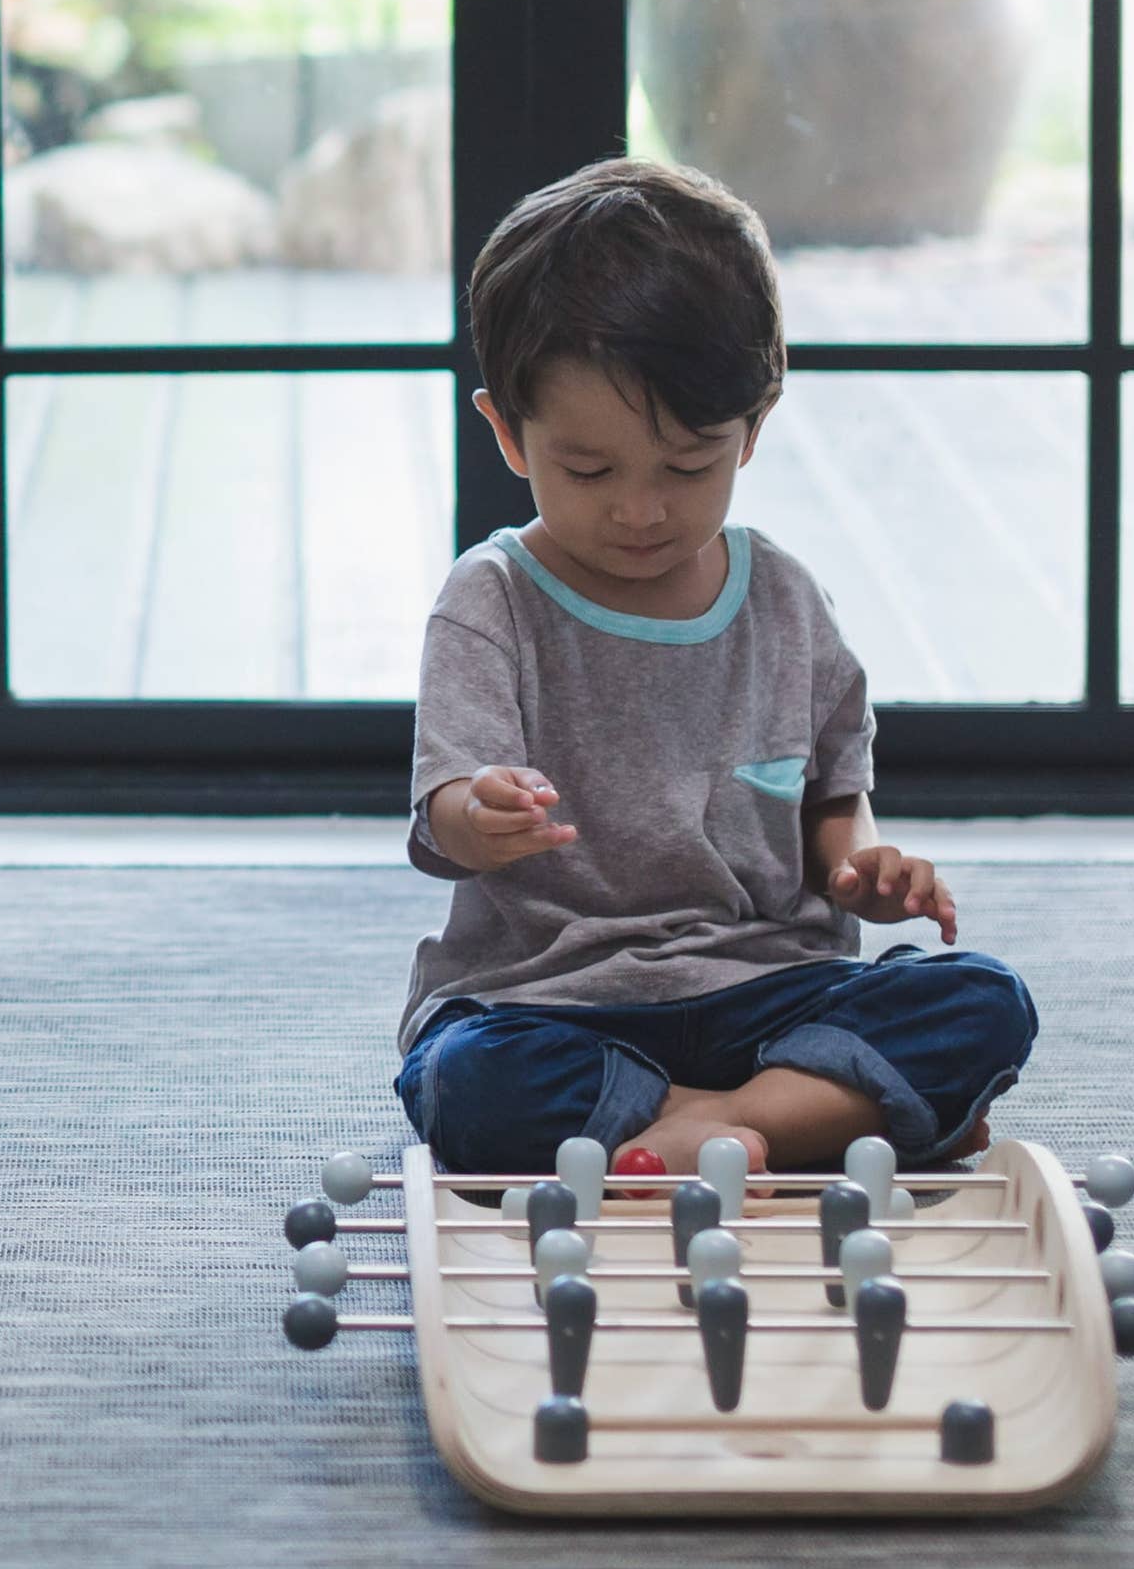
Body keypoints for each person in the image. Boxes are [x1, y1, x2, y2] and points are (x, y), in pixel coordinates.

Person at [394, 158, 1036, 1175]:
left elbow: (831, 795)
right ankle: (796, 1118)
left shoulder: (782, 597)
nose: (640, 508)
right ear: (507, 433)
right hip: (553, 999)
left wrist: (860, 870)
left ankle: (709, 1124)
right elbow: (445, 817)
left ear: (754, 425)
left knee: (981, 998)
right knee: (464, 1080)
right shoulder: (491, 600)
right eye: (589, 468)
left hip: (765, 989)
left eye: (687, 464)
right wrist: (485, 811)